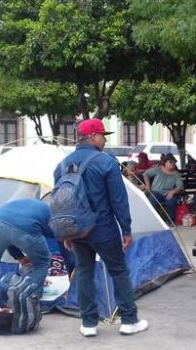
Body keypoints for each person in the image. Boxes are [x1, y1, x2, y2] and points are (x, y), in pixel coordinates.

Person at [54, 119, 149, 337]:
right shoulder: (105, 161)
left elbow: (60, 201)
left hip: (77, 229)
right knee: (118, 271)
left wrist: (66, 232)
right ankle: (129, 320)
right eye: (103, 135)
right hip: (103, 228)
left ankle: (88, 323)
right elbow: (119, 199)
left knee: (84, 273)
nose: (105, 139)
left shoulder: (62, 164)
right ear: (94, 136)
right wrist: (126, 229)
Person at [0, 198, 52, 320]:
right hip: (24, 228)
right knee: (42, 263)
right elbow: (57, 236)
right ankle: (30, 300)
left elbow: (8, 234)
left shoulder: (25, 204)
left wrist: (19, 257)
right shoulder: (51, 213)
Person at [143, 154, 184, 222]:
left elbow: (180, 186)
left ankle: (171, 220)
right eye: (171, 162)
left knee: (172, 200)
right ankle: (151, 219)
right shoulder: (158, 169)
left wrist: (172, 192)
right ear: (165, 162)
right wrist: (148, 186)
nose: (173, 164)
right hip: (156, 192)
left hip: (167, 194)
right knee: (153, 197)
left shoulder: (176, 174)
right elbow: (146, 174)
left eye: (174, 162)